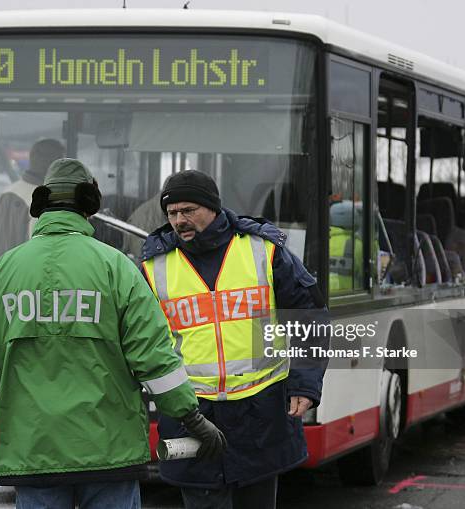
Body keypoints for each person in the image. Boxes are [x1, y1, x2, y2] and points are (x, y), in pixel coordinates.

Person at [0, 159, 226, 509]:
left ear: (43, 206)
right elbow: (155, 357)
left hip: (33, 455)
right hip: (109, 454)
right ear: (89, 207)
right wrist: (191, 417)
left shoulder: (0, 274)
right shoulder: (117, 268)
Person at [140, 170, 329, 509]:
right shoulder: (153, 266)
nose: (179, 220)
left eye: (188, 210)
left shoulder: (263, 250)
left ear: (212, 207)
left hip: (259, 412)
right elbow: (140, 341)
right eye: (172, 213)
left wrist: (304, 384)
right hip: (192, 414)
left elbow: (308, 316)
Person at [0, 138, 65, 264]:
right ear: (53, 165)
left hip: (1, 276)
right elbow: (41, 250)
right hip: (26, 279)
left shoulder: (8, 191)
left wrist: (5, 250)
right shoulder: (44, 199)